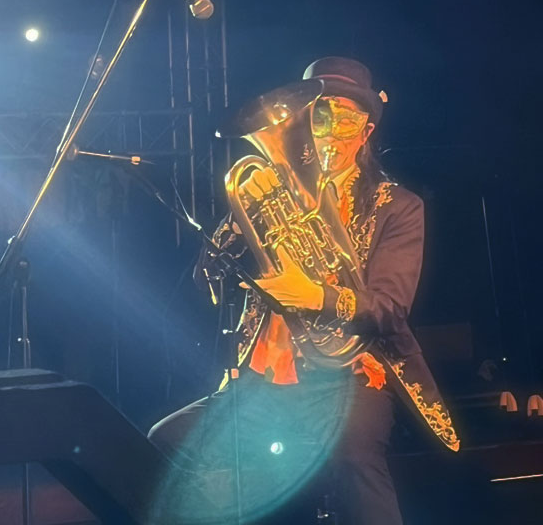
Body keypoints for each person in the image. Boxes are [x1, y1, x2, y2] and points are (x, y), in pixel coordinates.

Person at [147, 57, 459, 524]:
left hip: (349, 376)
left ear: (366, 133)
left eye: (345, 120)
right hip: (267, 376)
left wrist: (314, 296)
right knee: (167, 440)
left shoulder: (397, 206)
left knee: (353, 458)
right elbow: (206, 282)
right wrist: (237, 227)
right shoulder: (268, 192)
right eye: (318, 117)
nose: (330, 133)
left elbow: (389, 309)